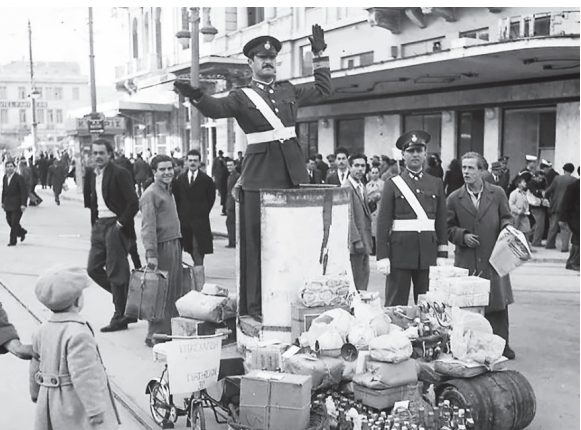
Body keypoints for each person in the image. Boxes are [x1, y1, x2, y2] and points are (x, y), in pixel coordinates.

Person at [173, 26, 330, 320]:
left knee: (293, 245)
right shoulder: (241, 96)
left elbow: (324, 90)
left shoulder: (288, 89)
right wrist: (196, 96)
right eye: (261, 57)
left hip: (294, 176)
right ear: (251, 63)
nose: (268, 61)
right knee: (257, 247)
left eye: (271, 57)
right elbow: (215, 109)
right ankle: (256, 307)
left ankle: (292, 299)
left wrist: (320, 54)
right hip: (259, 177)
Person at [29, 267, 120, 429]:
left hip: (49, 401)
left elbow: (35, 363)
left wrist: (35, 391)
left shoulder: (41, 329)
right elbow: (85, 374)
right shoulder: (79, 334)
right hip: (73, 405)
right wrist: (95, 409)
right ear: (77, 300)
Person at [446, 151, 515, 359]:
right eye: (464, 168)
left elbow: (507, 217)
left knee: (497, 303)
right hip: (467, 259)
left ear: (481, 171)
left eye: (471, 168)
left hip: (494, 257)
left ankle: (502, 345)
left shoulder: (498, 194)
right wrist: (462, 235)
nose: (466, 172)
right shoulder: (454, 198)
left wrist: (506, 229)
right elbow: (447, 228)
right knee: (469, 307)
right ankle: (470, 347)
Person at [376, 131, 448, 306]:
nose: (415, 155)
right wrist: (382, 256)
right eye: (410, 151)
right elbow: (383, 222)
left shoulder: (436, 183)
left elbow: (441, 221)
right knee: (395, 305)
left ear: (425, 154)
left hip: (428, 253)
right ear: (403, 155)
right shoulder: (392, 184)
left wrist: (442, 253)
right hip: (399, 254)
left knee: (429, 306)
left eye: (419, 150)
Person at [86, 139, 139, 333]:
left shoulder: (119, 173)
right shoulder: (93, 175)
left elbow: (133, 202)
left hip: (115, 225)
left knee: (116, 272)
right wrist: (95, 226)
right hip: (99, 226)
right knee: (92, 269)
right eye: (95, 153)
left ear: (110, 154)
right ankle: (127, 304)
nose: (98, 156)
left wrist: (119, 224)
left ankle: (119, 316)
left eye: (102, 153)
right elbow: (93, 201)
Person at [140, 155, 187, 347]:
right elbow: (147, 227)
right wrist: (152, 255)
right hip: (162, 247)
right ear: (154, 172)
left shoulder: (168, 191)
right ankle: (155, 334)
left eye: (170, 168)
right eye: (162, 169)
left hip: (174, 243)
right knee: (160, 293)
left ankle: (167, 331)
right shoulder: (150, 194)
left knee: (173, 290)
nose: (167, 172)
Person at [173, 150, 216, 291]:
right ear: (186, 161)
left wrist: (201, 214)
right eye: (190, 160)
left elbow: (211, 199)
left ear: (199, 162)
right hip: (184, 223)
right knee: (188, 250)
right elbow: (177, 200)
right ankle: (188, 282)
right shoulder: (180, 180)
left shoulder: (206, 180)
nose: (192, 163)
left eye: (195, 160)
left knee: (198, 252)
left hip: (200, 223)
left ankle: (200, 287)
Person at [344, 154, 372, 291]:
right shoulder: (346, 187)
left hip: (364, 238)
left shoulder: (361, 186)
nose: (360, 169)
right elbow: (347, 216)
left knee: (364, 276)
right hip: (356, 242)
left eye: (363, 166)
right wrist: (356, 240)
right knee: (357, 280)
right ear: (349, 167)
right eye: (356, 166)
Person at [545, 163, 576, 251]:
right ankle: (564, 247)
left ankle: (549, 244)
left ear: (564, 169)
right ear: (572, 171)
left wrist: (546, 198)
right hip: (567, 208)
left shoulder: (557, 178)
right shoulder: (574, 180)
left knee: (553, 226)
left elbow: (549, 190)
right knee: (566, 227)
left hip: (556, 205)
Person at [2, 159, 28, 246]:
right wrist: (2, 202)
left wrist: (23, 204)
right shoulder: (5, 177)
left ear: (14, 168)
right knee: (9, 220)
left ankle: (12, 241)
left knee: (14, 223)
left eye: (11, 166)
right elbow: (4, 191)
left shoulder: (19, 178)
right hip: (8, 204)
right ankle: (21, 232)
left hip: (17, 204)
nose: (9, 168)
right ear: (5, 168)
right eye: (8, 167)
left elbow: (24, 192)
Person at [560, 168, 580, 271]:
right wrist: (563, 219)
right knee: (577, 239)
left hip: (576, 218)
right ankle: (574, 262)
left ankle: (572, 262)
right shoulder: (574, 187)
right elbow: (566, 203)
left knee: (577, 240)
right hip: (575, 218)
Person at [366, 165, 384, 255]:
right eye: (373, 172)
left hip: (379, 209)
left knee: (378, 230)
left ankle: (379, 249)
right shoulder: (367, 185)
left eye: (376, 172)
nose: (374, 174)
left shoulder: (383, 184)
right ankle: (372, 249)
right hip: (371, 210)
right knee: (371, 230)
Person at [225, 159, 240, 248]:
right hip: (229, 202)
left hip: (233, 203)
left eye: (231, 165)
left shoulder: (237, 176)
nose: (229, 167)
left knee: (230, 223)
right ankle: (232, 240)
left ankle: (232, 241)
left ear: (235, 166)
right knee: (230, 222)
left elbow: (234, 191)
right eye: (228, 165)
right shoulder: (230, 176)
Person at [212, 150, 229, 216]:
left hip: (223, 178)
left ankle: (224, 209)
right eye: (219, 154)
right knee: (221, 191)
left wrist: (222, 161)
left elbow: (225, 167)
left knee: (223, 194)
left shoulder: (224, 159)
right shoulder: (215, 159)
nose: (220, 155)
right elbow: (213, 167)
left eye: (221, 154)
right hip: (218, 177)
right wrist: (213, 175)